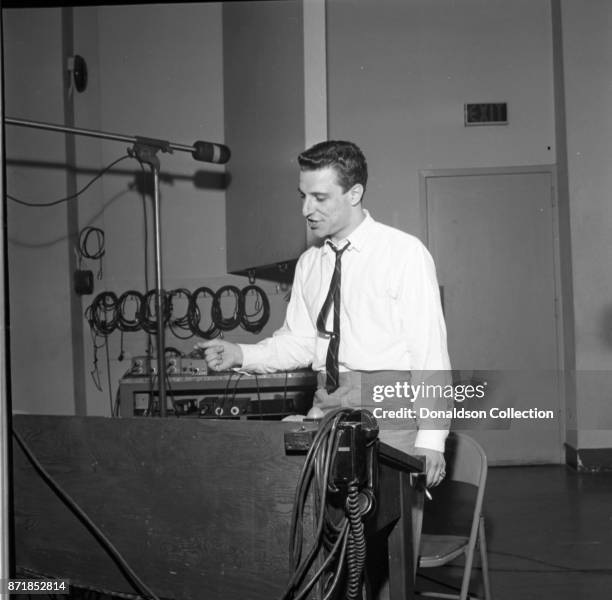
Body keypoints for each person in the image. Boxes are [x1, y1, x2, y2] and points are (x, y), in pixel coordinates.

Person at [196, 140, 451, 487]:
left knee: (389, 533)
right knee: (331, 533)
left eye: (319, 197)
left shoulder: (404, 254)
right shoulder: (310, 263)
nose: (306, 209)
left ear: (354, 192)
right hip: (328, 405)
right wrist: (242, 353)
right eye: (302, 196)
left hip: (391, 412)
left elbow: (429, 355)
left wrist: (432, 441)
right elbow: (300, 342)